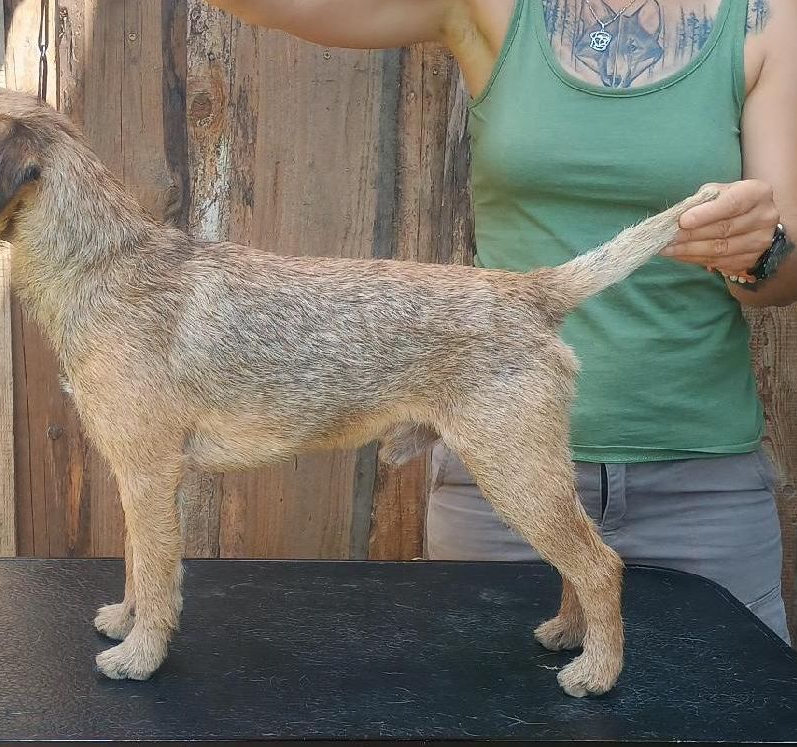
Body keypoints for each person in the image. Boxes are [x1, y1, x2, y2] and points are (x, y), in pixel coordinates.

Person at [203, 0, 795, 641]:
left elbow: (784, 277)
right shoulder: (491, 8)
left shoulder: (768, 19)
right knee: (491, 691)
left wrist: (759, 251)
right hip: (499, 483)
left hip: (702, 495)